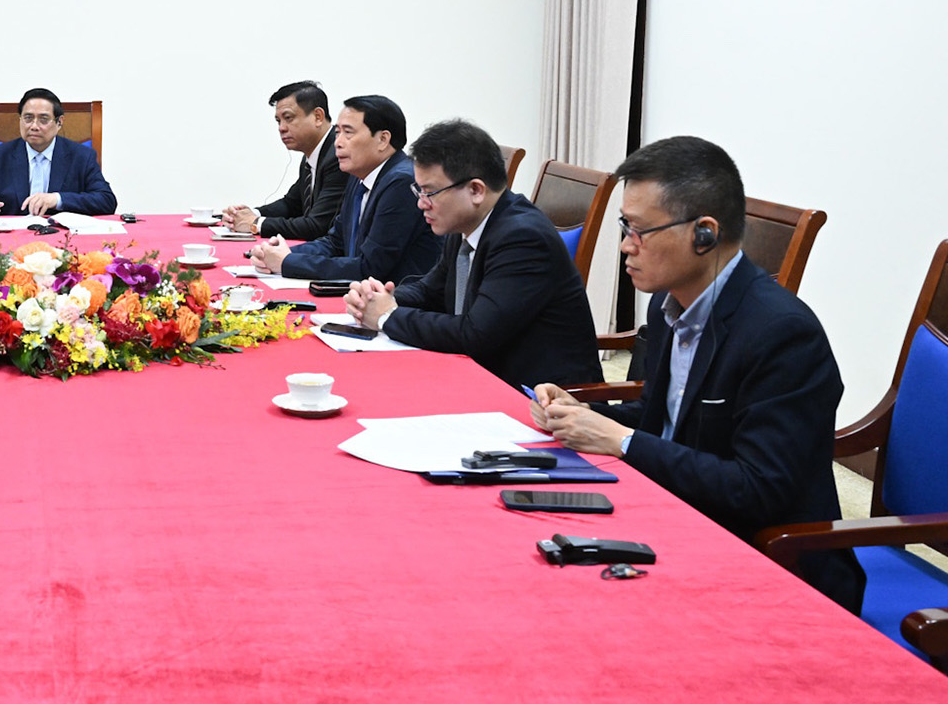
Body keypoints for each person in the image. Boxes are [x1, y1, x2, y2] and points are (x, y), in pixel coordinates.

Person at [530, 136, 863, 612]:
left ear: (704, 234)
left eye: (639, 230)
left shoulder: (784, 335)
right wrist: (582, 414)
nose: (625, 246)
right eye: (625, 226)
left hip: (767, 561)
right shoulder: (669, 304)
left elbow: (759, 490)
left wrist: (621, 441)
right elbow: (664, 417)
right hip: (677, 518)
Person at [343, 119, 601, 389]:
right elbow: (430, 291)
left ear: (476, 190)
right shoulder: (466, 223)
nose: (421, 204)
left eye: (430, 192)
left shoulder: (523, 238)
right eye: (419, 190)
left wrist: (388, 317)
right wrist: (378, 299)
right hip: (483, 374)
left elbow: (475, 333)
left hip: (539, 397)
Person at [248, 95, 437, 283]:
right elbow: (336, 242)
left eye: (348, 132)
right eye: (337, 132)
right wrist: (280, 253)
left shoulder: (401, 182)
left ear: (382, 139)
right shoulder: (359, 177)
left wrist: (288, 262)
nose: (337, 142)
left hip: (397, 296)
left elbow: (370, 268)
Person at [221, 80, 348, 241]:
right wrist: (249, 214)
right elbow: (291, 204)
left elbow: (317, 226)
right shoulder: (314, 153)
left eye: (288, 118)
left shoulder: (339, 155)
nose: (281, 128)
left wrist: (256, 223)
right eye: (278, 121)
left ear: (318, 117)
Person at [0, 87, 117, 218]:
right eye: (28, 118)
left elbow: (106, 201)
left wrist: (57, 199)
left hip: (61, 236)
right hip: (12, 236)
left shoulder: (82, 156)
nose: (34, 126)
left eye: (43, 119)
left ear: (59, 122)